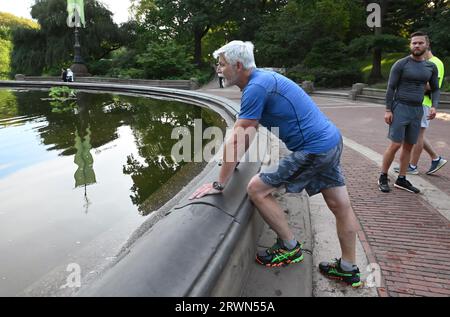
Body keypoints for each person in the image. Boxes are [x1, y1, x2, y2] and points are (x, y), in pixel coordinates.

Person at [190, 41, 363, 288]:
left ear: (238, 65)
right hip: (331, 141)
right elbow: (248, 132)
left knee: (257, 188)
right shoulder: (263, 80)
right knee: (339, 205)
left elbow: (239, 137)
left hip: (314, 149)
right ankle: (348, 269)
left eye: (222, 64)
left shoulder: (255, 87)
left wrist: (220, 183)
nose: (219, 69)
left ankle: (289, 247)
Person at [378, 31, 440, 194]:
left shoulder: (430, 67)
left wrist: (434, 106)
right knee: (395, 144)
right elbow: (391, 88)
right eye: (414, 43)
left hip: (417, 109)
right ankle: (383, 176)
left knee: (409, 145)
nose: (417, 45)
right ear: (410, 45)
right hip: (400, 107)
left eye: (420, 43)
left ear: (426, 45)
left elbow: (435, 88)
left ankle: (401, 179)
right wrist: (388, 109)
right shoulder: (401, 64)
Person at [394, 47, 446, 176]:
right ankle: (435, 158)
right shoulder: (425, 63)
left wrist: (411, 86)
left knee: (418, 135)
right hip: (418, 102)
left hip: (424, 103)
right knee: (416, 134)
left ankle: (412, 166)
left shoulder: (435, 63)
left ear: (427, 48)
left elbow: (433, 86)